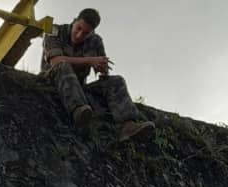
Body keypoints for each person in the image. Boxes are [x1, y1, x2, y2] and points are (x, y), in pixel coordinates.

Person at [42, 8, 154, 143]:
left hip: (79, 89)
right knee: (63, 65)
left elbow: (103, 72)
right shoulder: (54, 30)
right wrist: (89, 60)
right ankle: (79, 113)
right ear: (74, 21)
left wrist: (102, 68)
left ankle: (128, 126)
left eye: (85, 33)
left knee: (117, 81)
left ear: (92, 32)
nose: (79, 35)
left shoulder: (95, 41)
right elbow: (56, 61)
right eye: (78, 29)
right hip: (51, 82)